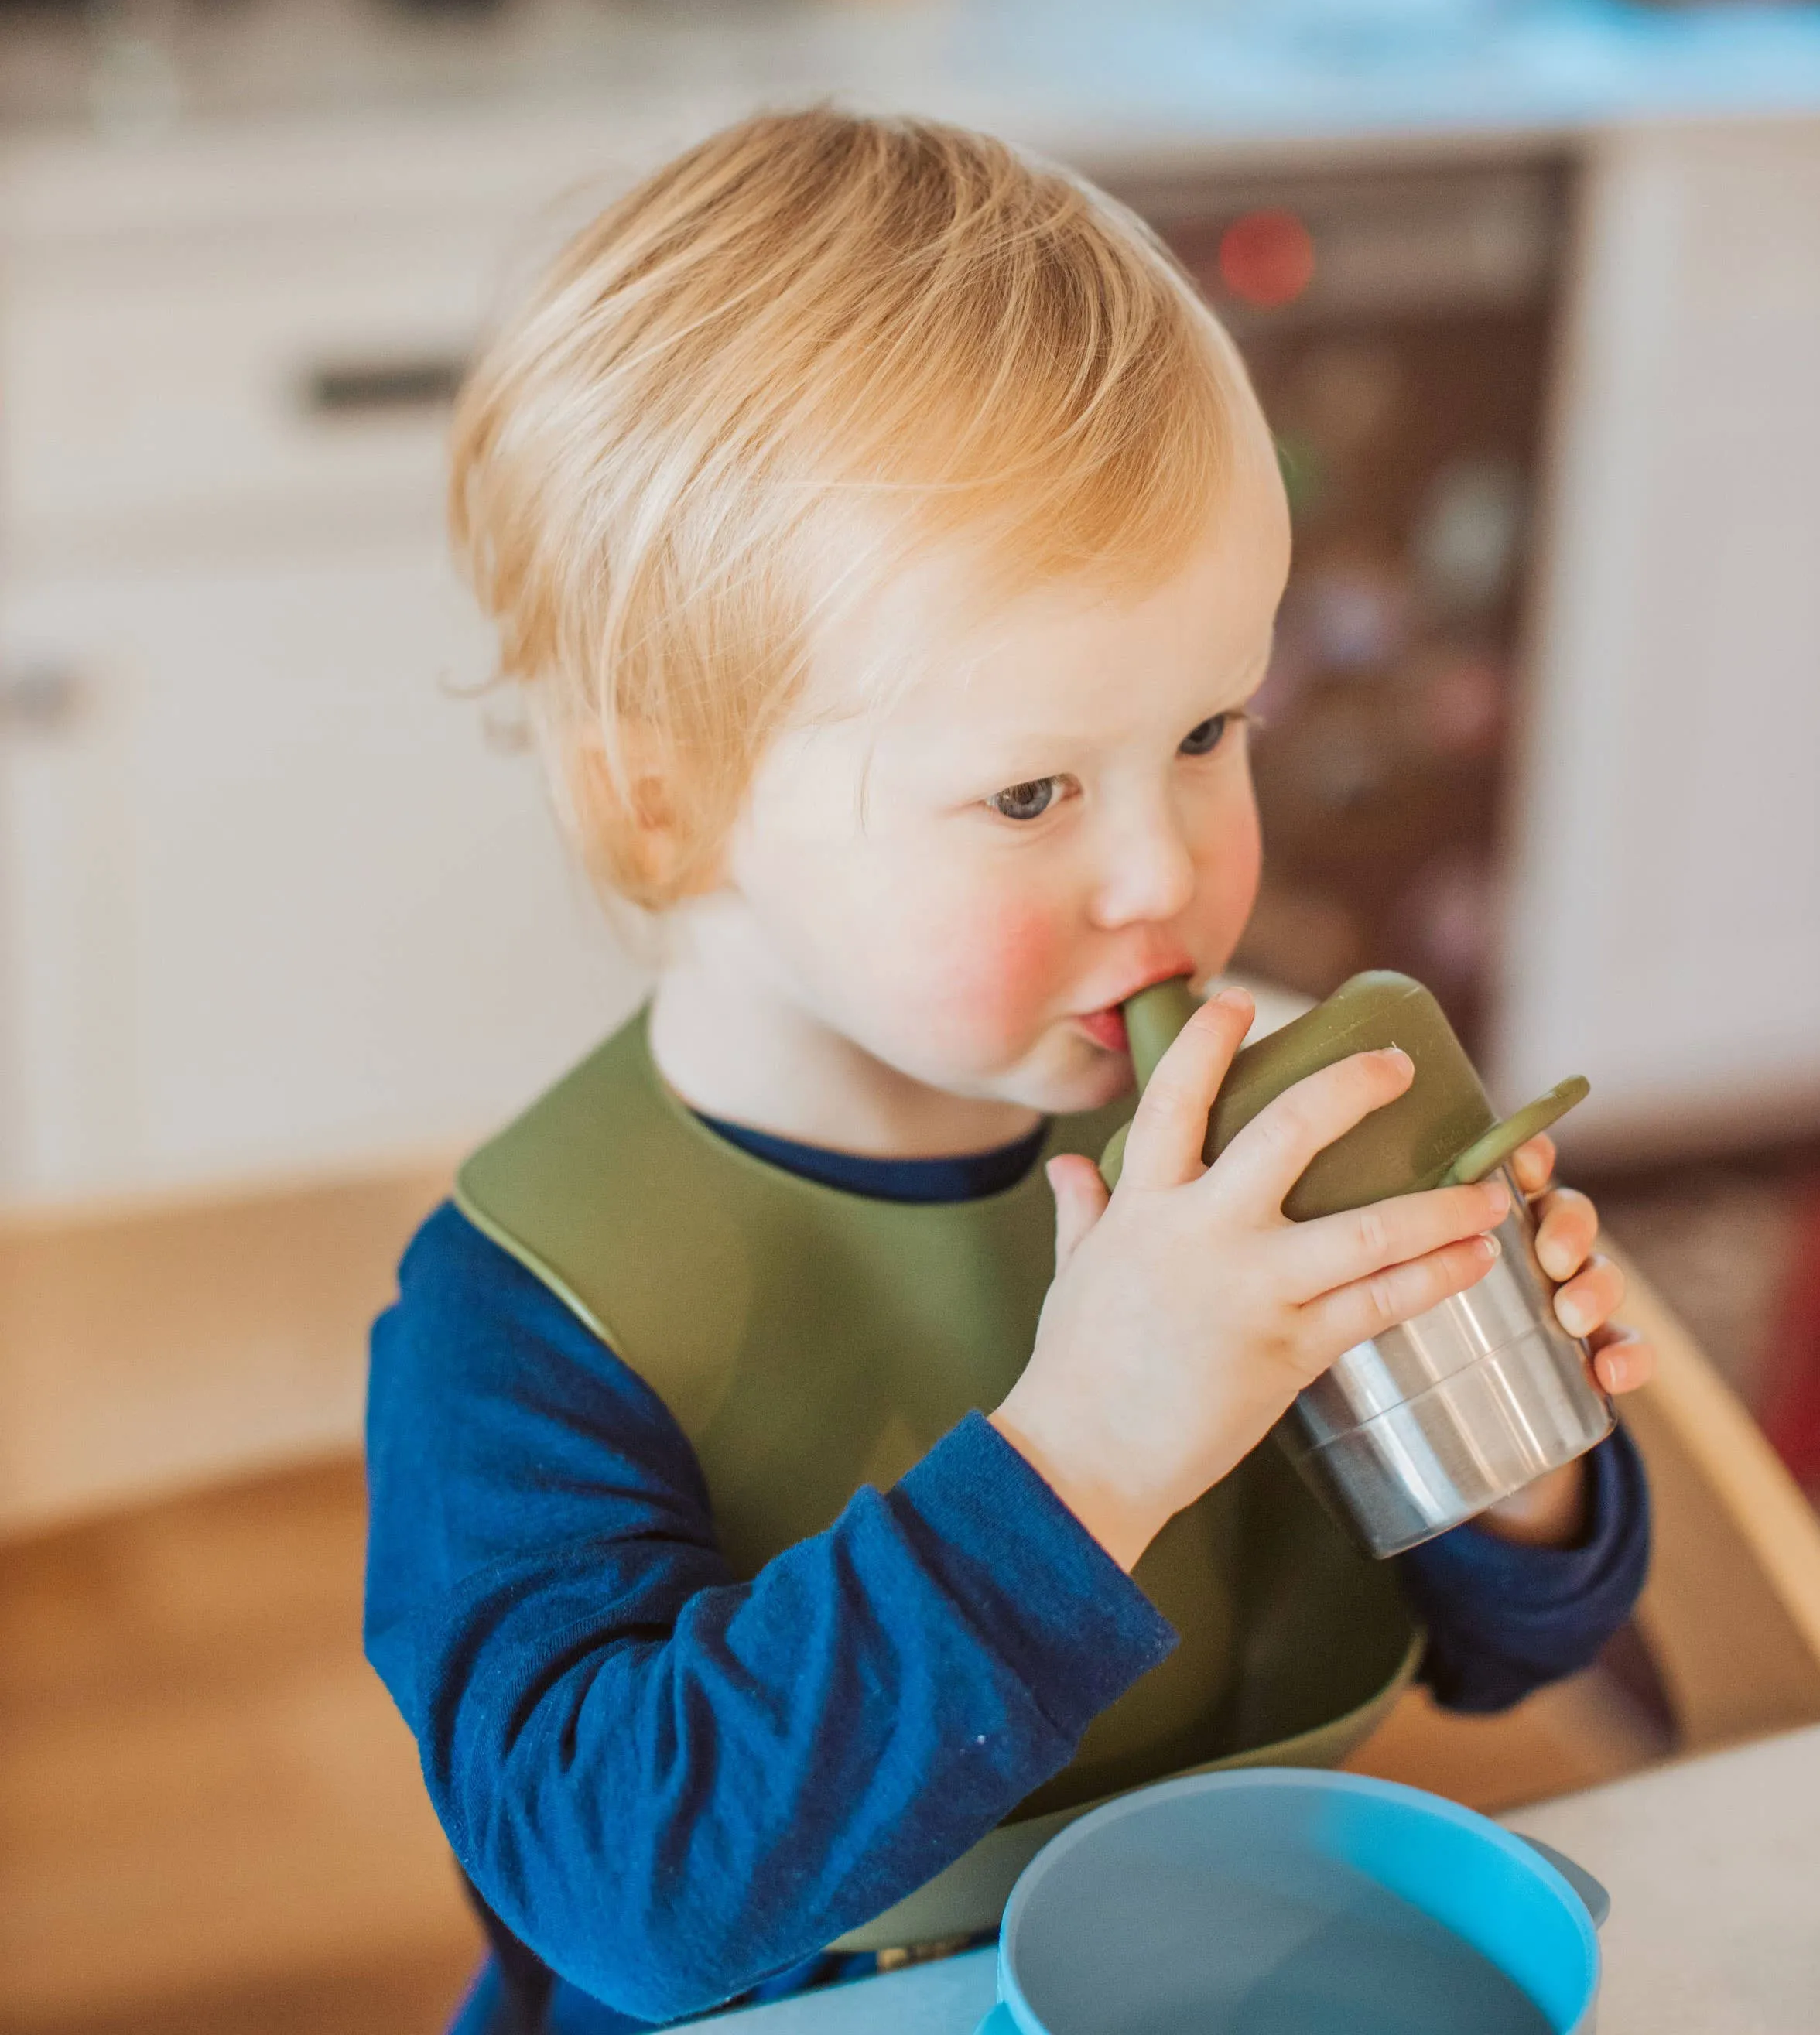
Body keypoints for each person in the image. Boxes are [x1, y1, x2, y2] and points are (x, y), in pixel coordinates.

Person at [364, 109, 1652, 2035]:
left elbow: (1516, 1645)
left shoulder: (1225, 1129)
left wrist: (1499, 1435)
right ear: (667, 798)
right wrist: (1093, 1451)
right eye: (1032, 790)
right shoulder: (525, 1325)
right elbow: (631, 1891)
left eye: (1214, 725)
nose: (1169, 870)